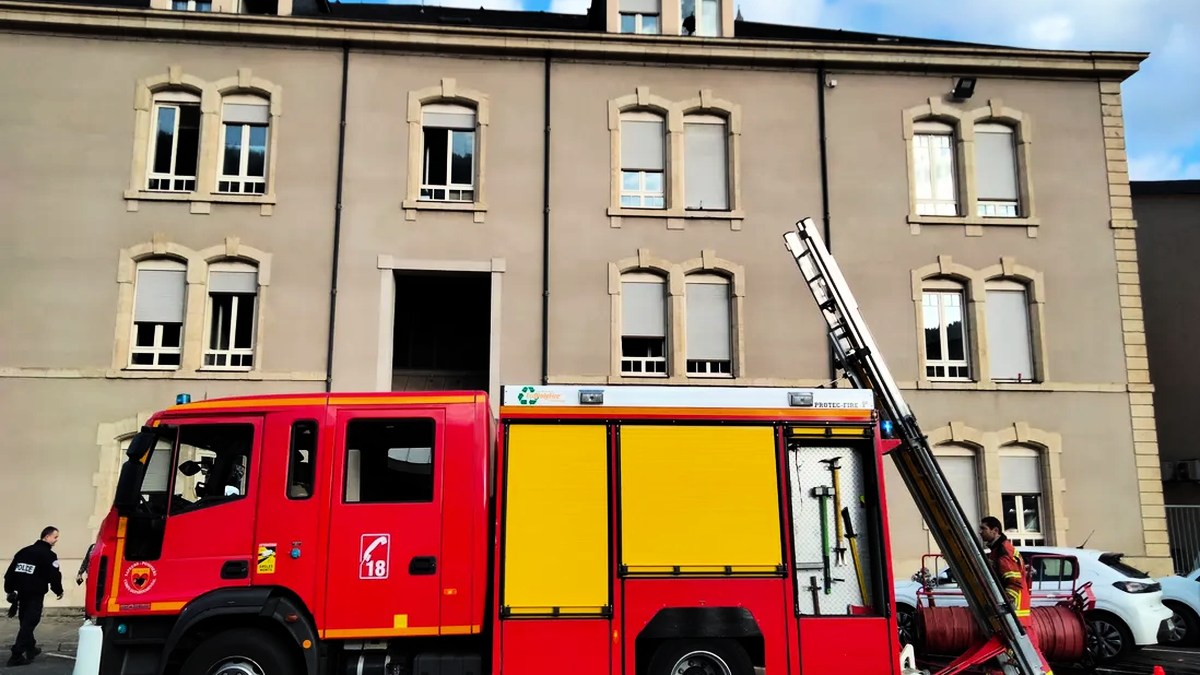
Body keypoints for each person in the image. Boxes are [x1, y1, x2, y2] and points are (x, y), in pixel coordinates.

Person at [979, 516, 1051, 673]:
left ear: (995, 530)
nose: (980, 532)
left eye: (983, 529)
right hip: (1019, 614)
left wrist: (1004, 606)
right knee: (1026, 652)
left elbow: (1014, 583)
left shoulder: (1003, 553)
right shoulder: (999, 550)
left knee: (1027, 653)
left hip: (1016, 614)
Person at [4, 526, 64, 667]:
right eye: (55, 537)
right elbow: (54, 576)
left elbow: (10, 573)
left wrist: (9, 590)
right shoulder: (49, 555)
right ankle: (16, 655)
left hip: (21, 593)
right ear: (47, 537)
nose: (56, 540)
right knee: (30, 622)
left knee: (25, 621)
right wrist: (58, 590)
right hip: (35, 594)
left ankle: (30, 648)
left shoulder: (23, 552)